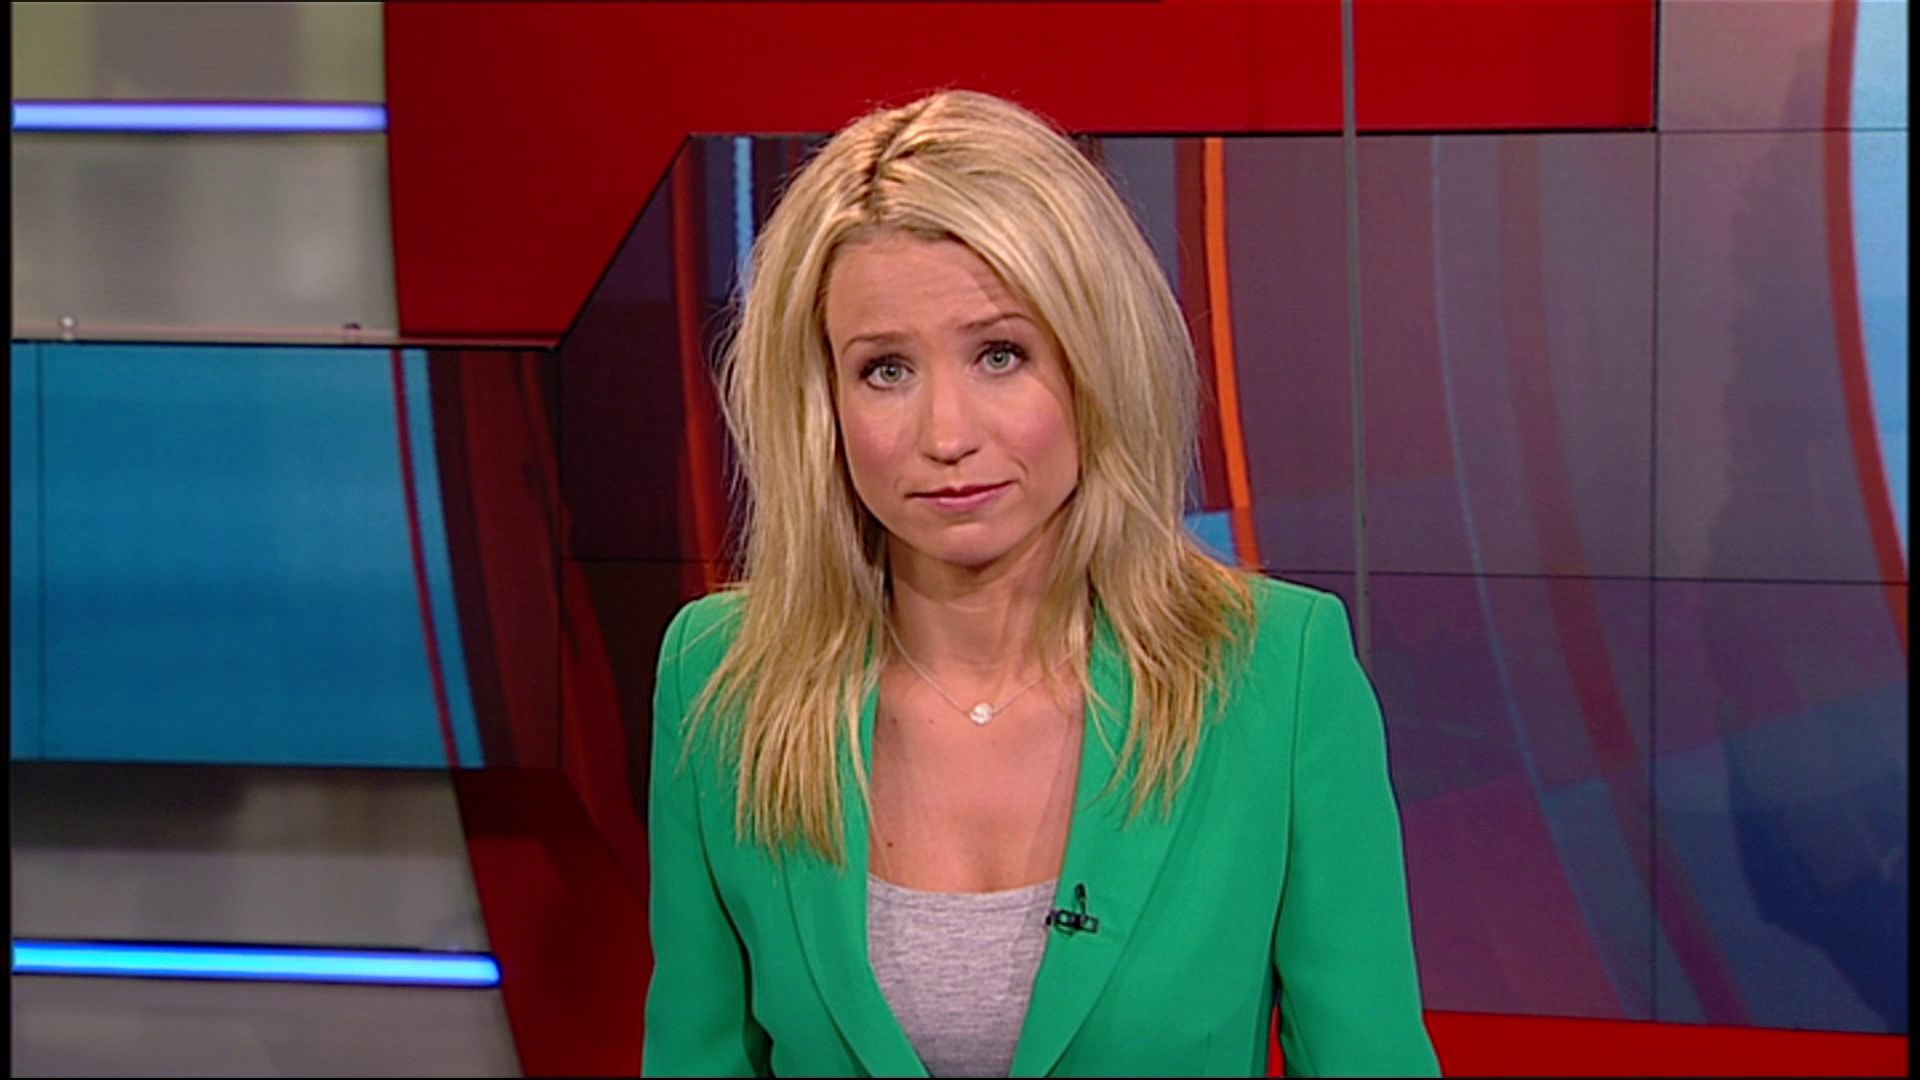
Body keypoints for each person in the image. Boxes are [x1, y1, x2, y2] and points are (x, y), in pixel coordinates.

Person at [643, 88, 1438, 1078]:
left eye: (1000, 354)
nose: (946, 435)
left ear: (1094, 362)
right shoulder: (721, 682)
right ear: (822, 403)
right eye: (885, 370)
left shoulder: (1276, 675)